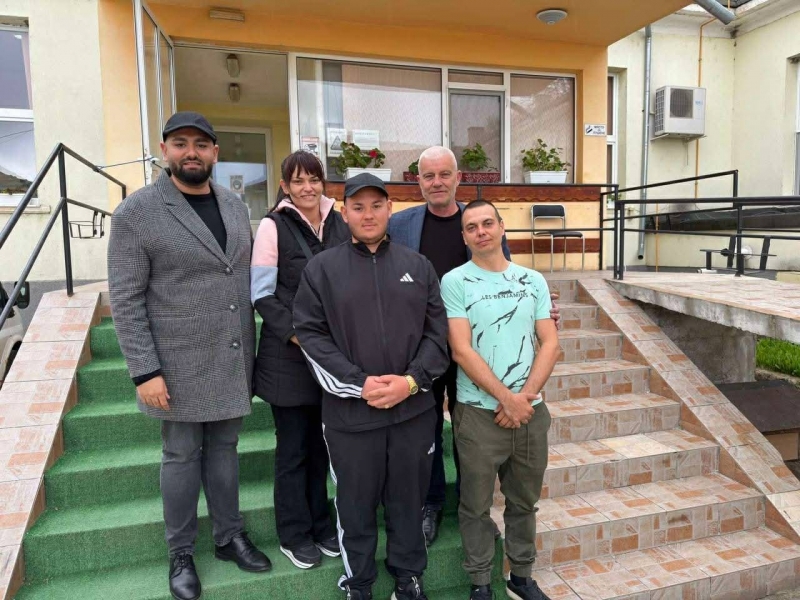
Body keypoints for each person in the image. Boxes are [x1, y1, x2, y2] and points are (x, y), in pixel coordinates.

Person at [108, 111, 272, 600]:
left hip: (231, 355)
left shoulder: (233, 205)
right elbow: (126, 298)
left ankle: (228, 536)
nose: (191, 152)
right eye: (180, 143)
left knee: (225, 450)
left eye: (201, 144)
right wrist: (145, 371)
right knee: (181, 455)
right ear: (165, 151)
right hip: (175, 365)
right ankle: (180, 552)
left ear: (215, 152)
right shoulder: (136, 212)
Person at [387, 146, 560, 546]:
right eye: (428, 176)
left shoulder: (478, 220)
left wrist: (542, 311)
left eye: (444, 174)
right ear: (418, 182)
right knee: (426, 428)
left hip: (475, 351)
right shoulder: (401, 225)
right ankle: (432, 502)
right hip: (423, 347)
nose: (437, 182)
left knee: (471, 429)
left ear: (458, 178)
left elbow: (509, 281)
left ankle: (474, 503)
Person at [293, 173, 449, 600]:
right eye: (358, 207)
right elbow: (310, 335)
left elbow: (437, 336)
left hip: (413, 413)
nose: (368, 214)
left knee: (409, 503)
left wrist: (411, 382)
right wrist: (358, 384)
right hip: (350, 418)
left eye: (376, 205)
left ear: (389, 209)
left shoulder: (418, 266)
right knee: (355, 507)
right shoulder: (321, 269)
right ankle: (358, 583)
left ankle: (407, 578)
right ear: (344, 214)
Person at [441, 200, 560, 600]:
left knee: (524, 502)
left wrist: (522, 399)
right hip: (478, 414)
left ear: (502, 227)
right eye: (471, 227)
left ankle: (521, 577)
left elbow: (550, 343)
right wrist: (506, 399)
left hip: (529, 413)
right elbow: (461, 350)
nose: (481, 231)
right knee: (475, 505)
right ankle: (480, 582)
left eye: (487, 223)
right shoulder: (455, 282)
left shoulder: (533, 280)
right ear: (464, 237)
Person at [251, 151, 350, 569]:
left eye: (313, 179)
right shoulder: (272, 226)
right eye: (298, 181)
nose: (307, 188)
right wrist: (298, 335)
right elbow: (262, 294)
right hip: (287, 358)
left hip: (331, 357)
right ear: (285, 186)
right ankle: (294, 533)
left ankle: (321, 525)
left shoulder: (339, 222)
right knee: (293, 450)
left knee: (321, 447)